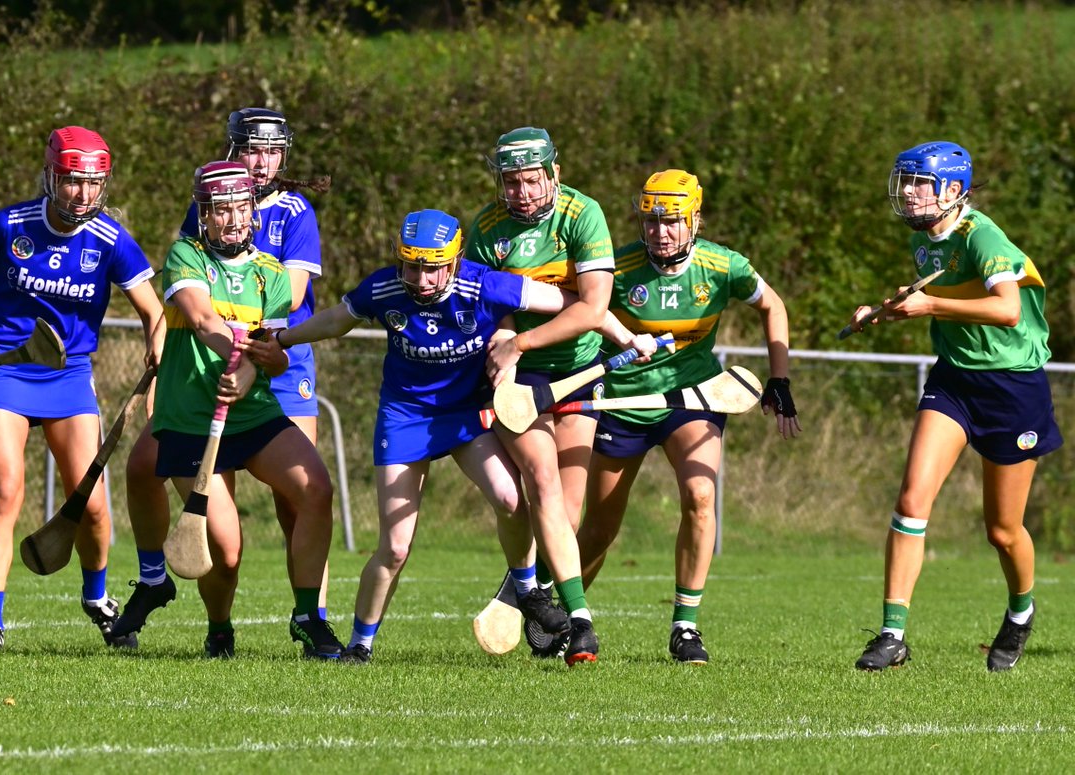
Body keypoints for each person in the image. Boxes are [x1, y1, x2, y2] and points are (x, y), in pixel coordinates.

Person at [269, 209, 650, 663]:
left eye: (433, 267)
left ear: (454, 261)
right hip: (406, 418)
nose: (423, 278)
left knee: (512, 500)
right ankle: (361, 644)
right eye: (413, 266)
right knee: (394, 546)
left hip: (467, 416)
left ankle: (527, 589)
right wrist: (283, 339)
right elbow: (335, 321)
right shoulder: (385, 287)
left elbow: (579, 307)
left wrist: (627, 337)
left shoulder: (484, 284)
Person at [0, 126, 164, 651]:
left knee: (89, 501)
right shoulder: (11, 223)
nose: (82, 193)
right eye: (71, 181)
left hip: (68, 378)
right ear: (50, 176)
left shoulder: (111, 241)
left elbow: (154, 311)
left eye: (92, 183)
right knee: (5, 488)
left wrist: (157, 345)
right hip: (5, 371)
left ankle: (97, 598)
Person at [113, 108, 329, 641]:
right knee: (226, 553)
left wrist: (261, 366)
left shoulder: (273, 272)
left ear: (253, 213)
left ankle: (309, 616)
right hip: (193, 410)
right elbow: (203, 315)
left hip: (253, 406)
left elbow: (276, 347)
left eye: (240, 209)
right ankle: (218, 627)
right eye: (220, 210)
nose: (232, 218)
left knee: (315, 490)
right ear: (204, 214)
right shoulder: (186, 252)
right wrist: (231, 342)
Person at [849, 141, 1062, 672]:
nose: (909, 193)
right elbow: (941, 297)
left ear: (953, 191)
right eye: (907, 182)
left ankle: (1020, 612)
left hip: (1012, 388)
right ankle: (892, 635)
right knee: (911, 500)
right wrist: (889, 311)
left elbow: (1008, 309)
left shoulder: (982, 236)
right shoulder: (926, 242)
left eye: (921, 183)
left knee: (1002, 530)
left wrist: (928, 306)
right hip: (954, 383)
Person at [574, 169, 800, 665]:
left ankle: (685, 626)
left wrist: (779, 378)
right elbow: (583, 313)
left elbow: (773, 305)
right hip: (624, 403)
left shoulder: (722, 265)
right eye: (652, 220)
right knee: (601, 526)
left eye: (672, 221)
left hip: (692, 398)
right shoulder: (620, 267)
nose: (661, 231)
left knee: (701, 496)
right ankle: (566, 616)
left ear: (695, 219)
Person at [469, 126, 615, 665]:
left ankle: (522, 588)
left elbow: (593, 307)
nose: (523, 192)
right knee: (543, 482)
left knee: (566, 516)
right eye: (512, 182)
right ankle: (580, 624)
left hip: (579, 371)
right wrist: (507, 343)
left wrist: (521, 340)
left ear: (553, 173)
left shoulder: (583, 214)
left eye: (532, 180)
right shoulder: (486, 228)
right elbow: (495, 311)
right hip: (522, 377)